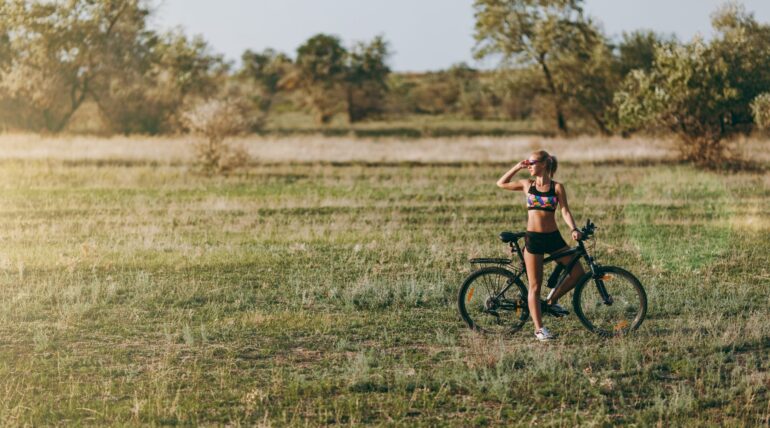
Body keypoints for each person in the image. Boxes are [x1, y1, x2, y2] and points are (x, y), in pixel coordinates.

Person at [496, 150, 585, 341]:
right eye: (527, 163)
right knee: (535, 286)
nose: (529, 166)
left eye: (532, 163)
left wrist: (573, 229)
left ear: (544, 164)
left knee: (578, 272)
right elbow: (501, 183)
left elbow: (565, 211)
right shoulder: (527, 184)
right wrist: (517, 166)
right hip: (534, 239)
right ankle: (539, 329)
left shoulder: (557, 187)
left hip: (553, 238)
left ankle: (551, 301)